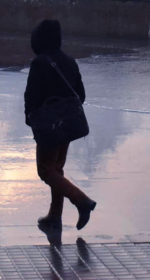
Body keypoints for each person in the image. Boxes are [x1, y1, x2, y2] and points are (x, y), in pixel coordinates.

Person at [24, 19, 97, 232]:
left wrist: (30, 118)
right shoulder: (70, 61)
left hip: (49, 125)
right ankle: (55, 216)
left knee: (46, 171)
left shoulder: (40, 63)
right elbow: (80, 95)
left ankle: (81, 201)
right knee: (57, 168)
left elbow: (31, 96)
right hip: (67, 125)